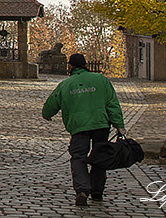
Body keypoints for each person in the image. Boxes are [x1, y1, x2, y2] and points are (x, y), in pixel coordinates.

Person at [42, 53, 124, 207]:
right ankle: (97, 191)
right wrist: (119, 125)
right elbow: (112, 104)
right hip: (101, 125)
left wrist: (47, 115)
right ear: (86, 65)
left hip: (79, 127)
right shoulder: (101, 80)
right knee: (100, 157)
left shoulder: (66, 85)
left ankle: (82, 190)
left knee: (78, 157)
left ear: (70, 67)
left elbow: (51, 104)